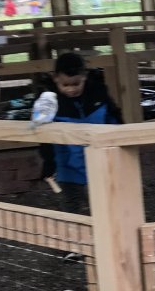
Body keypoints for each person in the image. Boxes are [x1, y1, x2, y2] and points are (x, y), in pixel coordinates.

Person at [38, 52, 123, 215]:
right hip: (67, 165)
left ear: (84, 76)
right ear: (55, 78)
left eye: (76, 84)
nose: (71, 89)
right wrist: (49, 162)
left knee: (105, 207)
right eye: (65, 85)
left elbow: (114, 118)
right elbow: (43, 135)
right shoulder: (48, 102)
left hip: (100, 162)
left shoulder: (99, 92)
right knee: (71, 210)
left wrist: (120, 143)